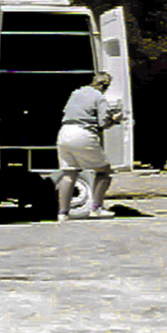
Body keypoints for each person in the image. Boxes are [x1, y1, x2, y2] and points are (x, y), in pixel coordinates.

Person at [55, 72, 123, 222]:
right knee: (104, 171)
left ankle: (63, 213)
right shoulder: (99, 96)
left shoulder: (76, 92)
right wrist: (115, 119)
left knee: (69, 174)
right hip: (82, 134)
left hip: (64, 132)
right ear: (105, 86)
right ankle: (96, 208)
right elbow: (103, 122)